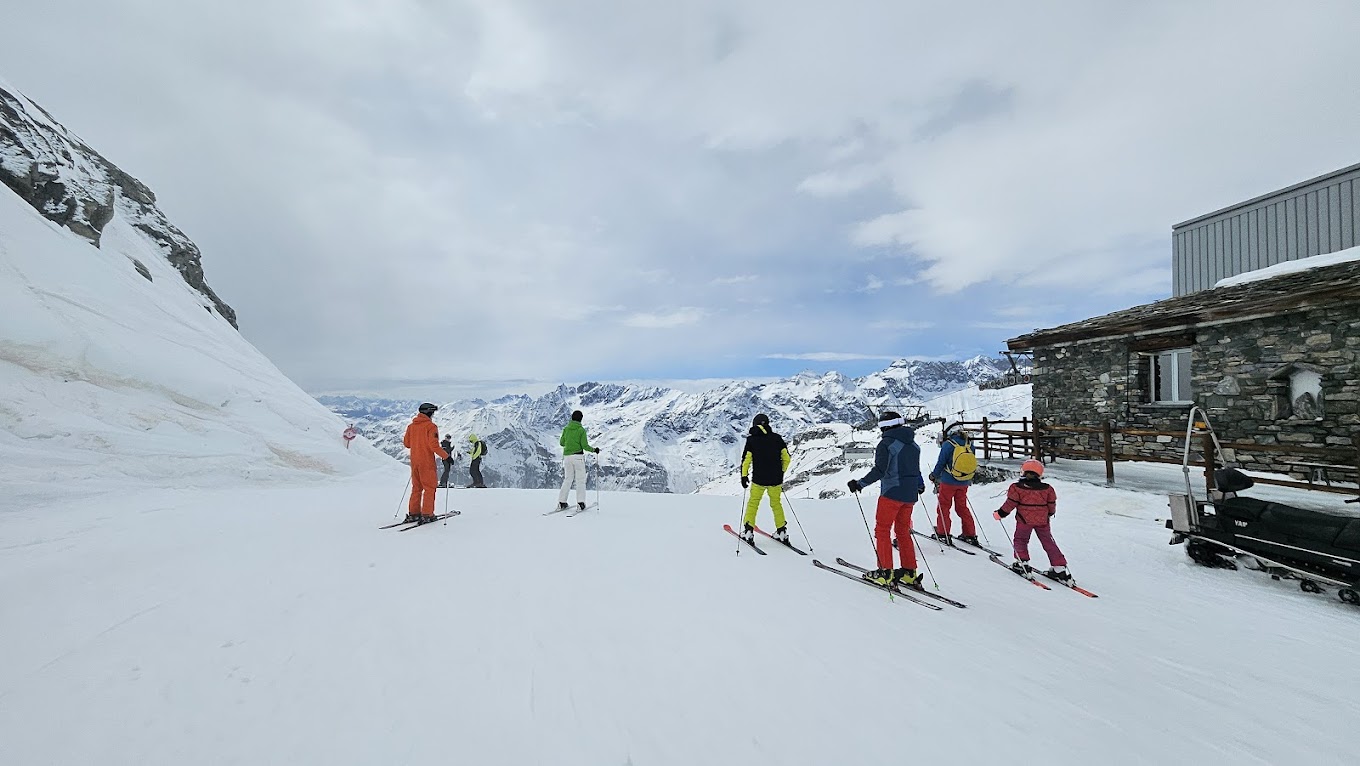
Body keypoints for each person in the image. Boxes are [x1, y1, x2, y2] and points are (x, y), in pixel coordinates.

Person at [847, 411, 925, 587]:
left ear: (884, 426)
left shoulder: (887, 444)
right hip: (910, 495)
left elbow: (879, 471)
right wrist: (919, 484)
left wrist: (860, 484)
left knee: (882, 530)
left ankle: (885, 572)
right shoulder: (913, 444)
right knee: (903, 531)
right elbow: (916, 469)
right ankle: (909, 572)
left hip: (891, 493)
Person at [994, 459, 1069, 581]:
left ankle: (1022, 563)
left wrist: (1000, 514)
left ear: (1022, 472)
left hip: (1024, 520)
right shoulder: (1047, 488)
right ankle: (1059, 568)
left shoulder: (1017, 488)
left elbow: (1010, 504)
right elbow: (1051, 505)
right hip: (1043, 521)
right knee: (1048, 542)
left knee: (1021, 540)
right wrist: (1049, 514)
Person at [738, 413, 791, 543]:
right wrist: (781, 472)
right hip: (776, 480)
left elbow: (746, 460)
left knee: (753, 503)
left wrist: (744, 476)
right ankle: (781, 531)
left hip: (759, 479)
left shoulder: (751, 440)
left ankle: (749, 531)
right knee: (776, 504)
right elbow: (787, 458)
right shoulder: (777, 439)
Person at [928, 429, 979, 545]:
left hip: (948, 482)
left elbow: (941, 463)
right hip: (964, 482)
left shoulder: (948, 445)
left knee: (944, 507)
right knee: (962, 507)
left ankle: (942, 532)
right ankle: (969, 533)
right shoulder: (969, 445)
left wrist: (933, 476)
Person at [402, 402, 450, 523]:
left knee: (416, 487)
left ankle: (414, 513)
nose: (433, 415)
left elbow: (407, 444)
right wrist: (446, 456)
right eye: (432, 412)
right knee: (429, 487)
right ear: (429, 412)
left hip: (414, 461)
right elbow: (433, 446)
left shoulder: (411, 426)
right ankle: (427, 514)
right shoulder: (431, 427)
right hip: (426, 461)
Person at [557, 410, 601, 511]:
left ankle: (561, 502)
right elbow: (584, 446)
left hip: (567, 457)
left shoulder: (566, 429)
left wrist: (569, 443)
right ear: (581, 419)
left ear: (572, 418)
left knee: (568, 479)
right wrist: (594, 450)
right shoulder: (581, 430)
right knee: (580, 480)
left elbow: (562, 443)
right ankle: (580, 503)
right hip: (578, 457)